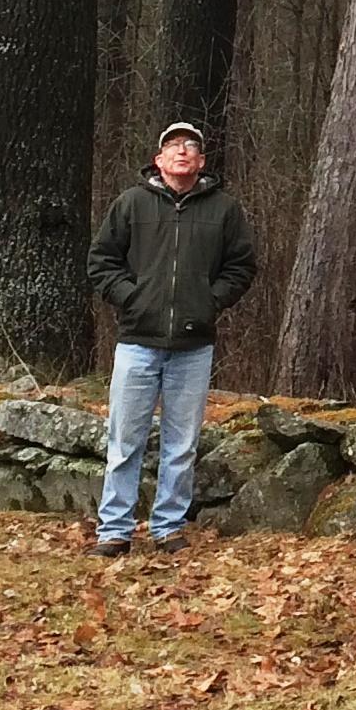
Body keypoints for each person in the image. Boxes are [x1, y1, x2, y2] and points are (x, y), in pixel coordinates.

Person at [85, 121, 257, 558]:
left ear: (201, 161)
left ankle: (168, 527)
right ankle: (115, 530)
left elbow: (241, 266)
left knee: (182, 443)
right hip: (137, 340)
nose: (182, 152)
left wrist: (209, 302)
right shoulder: (130, 204)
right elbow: (102, 261)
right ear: (158, 159)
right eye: (173, 146)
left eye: (191, 146)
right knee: (125, 440)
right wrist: (131, 298)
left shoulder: (224, 210)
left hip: (193, 345)